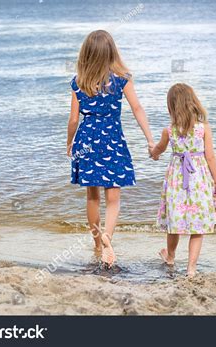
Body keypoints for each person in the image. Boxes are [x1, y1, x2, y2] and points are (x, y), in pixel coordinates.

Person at [66, 30, 154, 267]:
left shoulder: (79, 82)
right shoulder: (122, 79)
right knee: (113, 197)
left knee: (92, 196)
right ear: (112, 52)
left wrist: (69, 142)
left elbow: (74, 120)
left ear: (86, 54)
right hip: (112, 139)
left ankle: (97, 244)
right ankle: (108, 236)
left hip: (86, 141)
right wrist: (149, 139)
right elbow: (137, 109)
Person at [151, 83, 216, 276]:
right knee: (198, 226)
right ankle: (191, 268)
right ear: (193, 102)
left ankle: (170, 257)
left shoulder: (169, 131)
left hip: (176, 180)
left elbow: (159, 150)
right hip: (199, 179)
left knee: (175, 222)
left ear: (172, 106)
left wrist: (152, 152)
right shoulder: (203, 129)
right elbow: (211, 157)